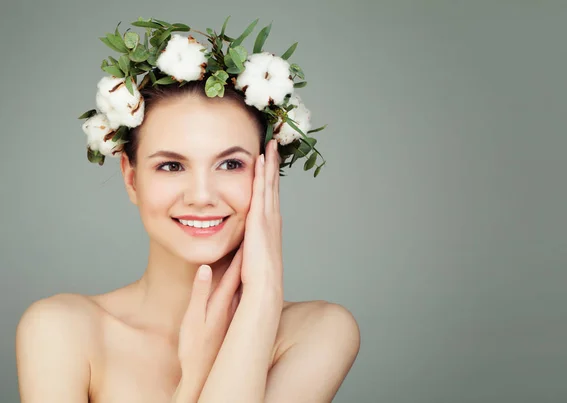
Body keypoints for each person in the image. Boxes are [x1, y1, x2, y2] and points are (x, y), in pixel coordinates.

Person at [15, 17, 360, 403]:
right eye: (171, 166)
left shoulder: (319, 332)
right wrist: (195, 379)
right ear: (131, 178)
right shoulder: (60, 330)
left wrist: (262, 297)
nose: (201, 196)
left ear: (268, 173)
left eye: (231, 164)